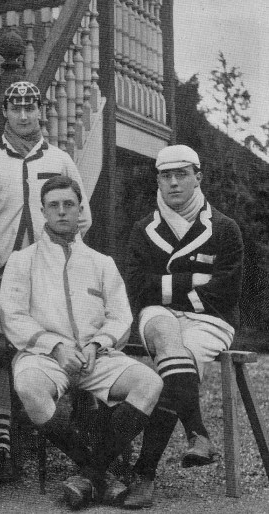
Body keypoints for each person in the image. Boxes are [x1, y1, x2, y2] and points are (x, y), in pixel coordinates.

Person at [0, 176, 163, 509]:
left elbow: (121, 317)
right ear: (43, 212)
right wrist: (56, 348)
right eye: (54, 205)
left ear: (80, 209)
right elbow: (13, 316)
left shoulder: (101, 263)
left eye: (69, 204)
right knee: (29, 386)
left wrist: (95, 345)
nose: (62, 211)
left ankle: (89, 473)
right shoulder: (22, 260)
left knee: (150, 382)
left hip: (96, 355)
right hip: (44, 356)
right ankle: (98, 471)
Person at [0, 81, 92, 480]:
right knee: (3, 348)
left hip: (52, 271)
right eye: (15, 108)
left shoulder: (60, 159)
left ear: (40, 111)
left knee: (62, 340)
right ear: (5, 112)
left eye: (29, 107)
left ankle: (80, 429)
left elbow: (83, 216)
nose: (23, 115)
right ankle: (2, 442)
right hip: (4, 272)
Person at [122, 145, 244, 509]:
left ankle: (144, 472)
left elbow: (226, 292)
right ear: (158, 180)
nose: (173, 183)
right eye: (166, 176)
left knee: (175, 366)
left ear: (198, 177)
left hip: (210, 320)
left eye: (182, 174)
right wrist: (194, 281)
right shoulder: (144, 228)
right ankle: (197, 433)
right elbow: (137, 288)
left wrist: (167, 285)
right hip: (157, 315)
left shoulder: (224, 228)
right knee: (166, 337)